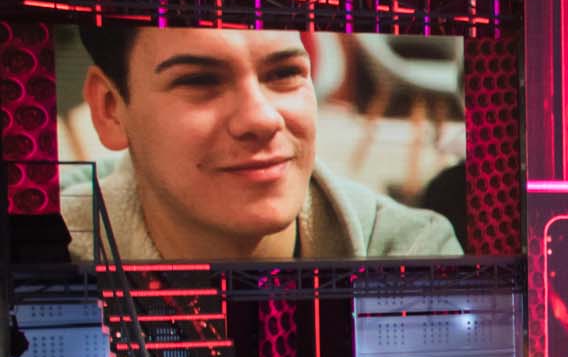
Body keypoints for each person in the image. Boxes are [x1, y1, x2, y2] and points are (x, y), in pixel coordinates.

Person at [60, 26, 460, 261]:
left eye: (285, 73)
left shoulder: (413, 255)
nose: (262, 119)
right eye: (199, 80)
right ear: (110, 109)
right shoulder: (50, 257)